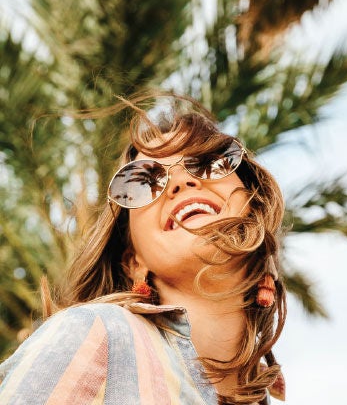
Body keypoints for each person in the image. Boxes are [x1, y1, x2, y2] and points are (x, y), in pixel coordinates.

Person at [0, 92, 287, 404]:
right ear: (133, 261)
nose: (180, 181)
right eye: (144, 183)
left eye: (207, 163)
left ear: (254, 209)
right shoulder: (97, 334)